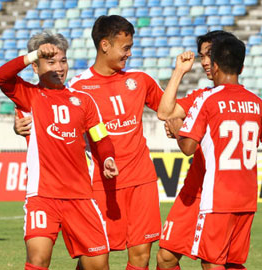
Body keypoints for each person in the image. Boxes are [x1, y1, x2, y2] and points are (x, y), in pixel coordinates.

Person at [0, 31, 119, 270]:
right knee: (38, 260)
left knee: (98, 265)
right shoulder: (29, 95)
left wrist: (108, 158)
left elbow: (101, 138)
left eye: (63, 61)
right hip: (43, 196)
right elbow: (0, 76)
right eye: (50, 62)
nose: (59, 67)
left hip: (80, 197)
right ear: (35, 67)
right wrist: (33, 55)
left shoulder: (83, 100)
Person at [166, 36, 262, 270]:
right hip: (247, 199)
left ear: (214, 65)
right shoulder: (257, 103)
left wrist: (177, 129)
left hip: (217, 198)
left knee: (212, 263)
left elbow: (188, 147)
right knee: (234, 263)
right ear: (242, 67)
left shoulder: (208, 99)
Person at [67, 15, 165, 270]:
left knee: (141, 254)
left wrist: (177, 120)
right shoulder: (78, 87)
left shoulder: (140, 79)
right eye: (126, 48)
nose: (129, 54)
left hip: (141, 178)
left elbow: (170, 109)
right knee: (95, 258)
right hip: (99, 183)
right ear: (105, 45)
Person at [156, 31, 247, 270]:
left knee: (221, 263)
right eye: (201, 56)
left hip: (221, 193)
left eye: (210, 55)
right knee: (166, 257)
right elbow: (164, 112)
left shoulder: (234, 100)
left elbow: (185, 141)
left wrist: (178, 131)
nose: (205, 61)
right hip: (194, 190)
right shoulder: (200, 97)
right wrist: (178, 72)